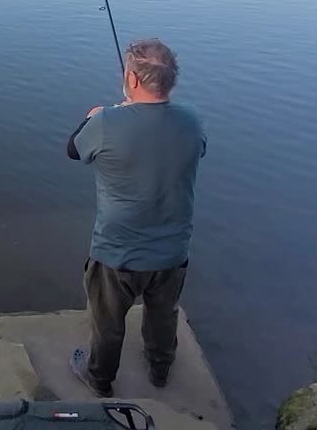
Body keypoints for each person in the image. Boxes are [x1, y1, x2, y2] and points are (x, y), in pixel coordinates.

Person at [66, 38, 207, 398]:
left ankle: (99, 377)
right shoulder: (192, 120)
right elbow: (196, 148)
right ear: (170, 80)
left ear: (131, 78)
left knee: (108, 323)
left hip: (117, 254)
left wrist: (94, 116)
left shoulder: (106, 122)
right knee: (163, 315)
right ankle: (160, 370)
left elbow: (73, 150)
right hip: (173, 252)